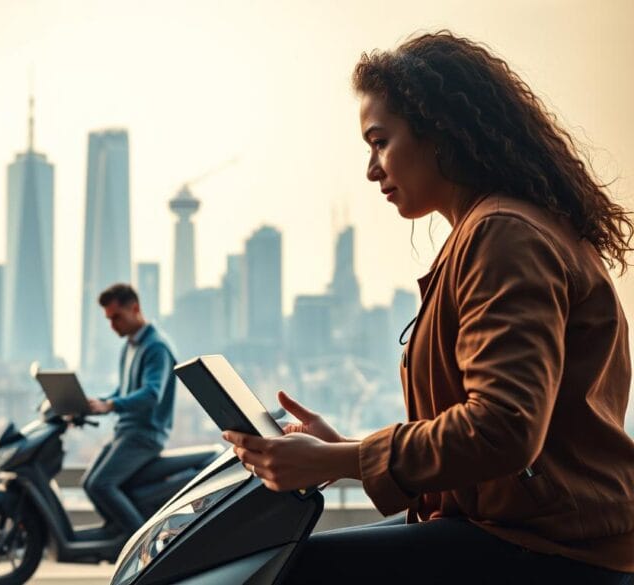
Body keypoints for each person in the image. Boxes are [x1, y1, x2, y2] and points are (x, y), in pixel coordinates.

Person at [224, 31, 634, 584]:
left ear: (440, 133)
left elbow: (504, 427)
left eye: (380, 142)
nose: (372, 169)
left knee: (285, 572)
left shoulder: (503, 235)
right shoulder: (501, 230)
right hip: (530, 531)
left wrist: (341, 461)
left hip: (547, 550)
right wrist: (341, 448)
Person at [83, 283, 177, 535]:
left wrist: (111, 405)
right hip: (126, 432)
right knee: (88, 482)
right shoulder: (130, 345)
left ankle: (139, 542)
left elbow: (151, 394)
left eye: (117, 317)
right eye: (109, 320)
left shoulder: (156, 347)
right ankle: (117, 532)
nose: (113, 325)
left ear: (135, 308)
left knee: (102, 484)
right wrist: (96, 404)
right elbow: (125, 390)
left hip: (145, 435)